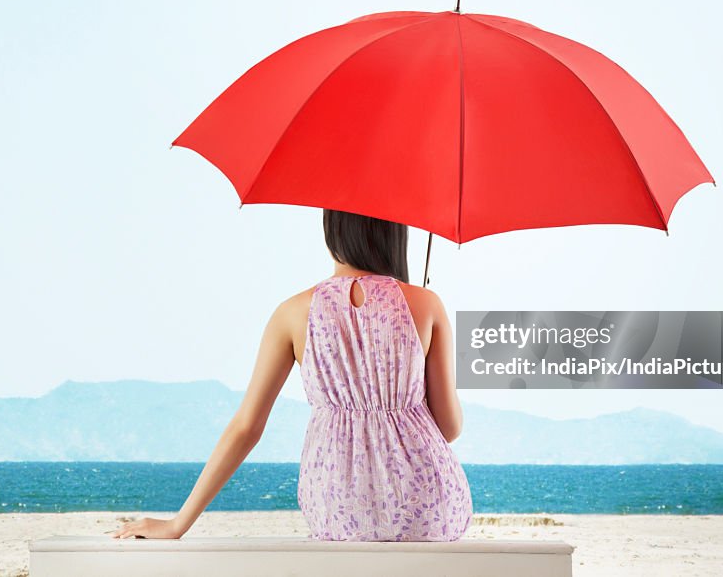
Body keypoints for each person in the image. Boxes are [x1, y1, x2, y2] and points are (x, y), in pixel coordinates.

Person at [112, 209, 473, 541]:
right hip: (427, 504)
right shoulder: (426, 304)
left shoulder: (291, 312)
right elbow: (449, 428)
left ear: (332, 231)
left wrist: (178, 524)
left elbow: (246, 428)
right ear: (396, 234)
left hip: (338, 504)